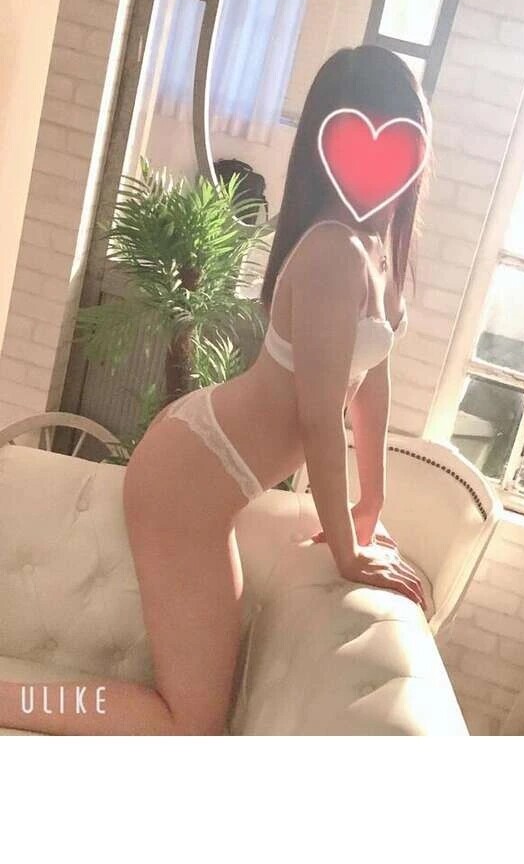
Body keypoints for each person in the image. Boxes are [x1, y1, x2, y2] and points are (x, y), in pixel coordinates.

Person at [0, 46, 430, 736]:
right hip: (187, 481)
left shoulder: (375, 250)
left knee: (198, 714)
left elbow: (369, 385)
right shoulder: (332, 252)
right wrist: (349, 552)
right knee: (190, 724)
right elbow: (320, 418)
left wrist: (370, 502)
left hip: (205, 471)